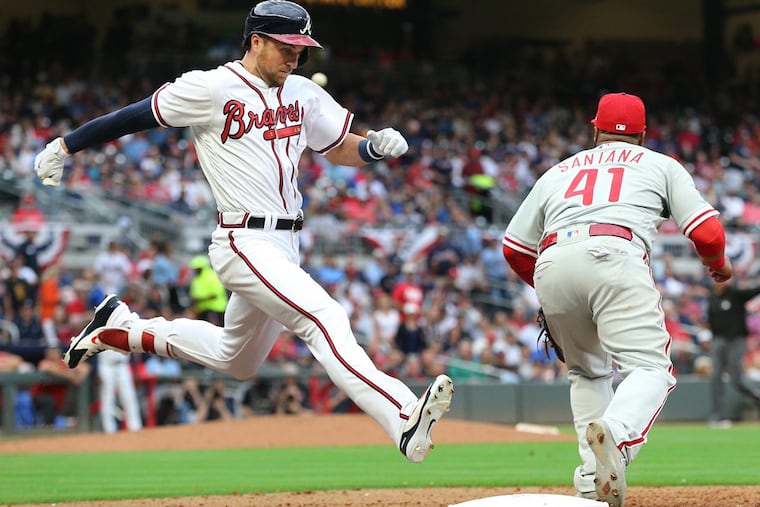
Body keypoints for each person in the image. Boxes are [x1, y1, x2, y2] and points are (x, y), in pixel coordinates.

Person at [34, 0, 453, 464]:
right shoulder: (211, 87)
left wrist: (372, 147)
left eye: (301, 50)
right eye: (286, 47)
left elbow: (338, 148)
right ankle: (401, 415)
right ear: (256, 41)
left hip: (286, 244)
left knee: (238, 360)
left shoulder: (302, 93)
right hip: (243, 239)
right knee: (323, 318)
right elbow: (136, 115)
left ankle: (121, 329)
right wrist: (65, 145)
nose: (295, 58)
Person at [501, 92, 733, 506]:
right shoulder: (660, 164)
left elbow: (515, 249)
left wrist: (549, 292)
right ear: (643, 134)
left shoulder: (558, 171)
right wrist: (718, 266)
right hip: (615, 252)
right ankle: (619, 438)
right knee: (649, 367)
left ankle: (593, 481)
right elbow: (707, 233)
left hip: (552, 260)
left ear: (595, 129)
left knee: (587, 373)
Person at [706, 279, 760, 427]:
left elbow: (752, 292)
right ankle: (719, 416)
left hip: (736, 340)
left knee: (737, 378)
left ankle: (757, 397)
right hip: (718, 341)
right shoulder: (713, 297)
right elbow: (710, 319)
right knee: (715, 376)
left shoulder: (735, 294)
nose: (721, 282)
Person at [97, 350, 144, 433]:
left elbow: (131, 345)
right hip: (106, 365)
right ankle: (108, 429)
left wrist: (135, 367)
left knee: (129, 396)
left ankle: (135, 427)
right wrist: (96, 371)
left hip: (123, 365)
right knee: (107, 398)